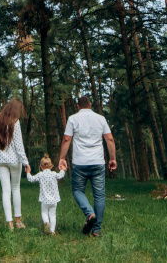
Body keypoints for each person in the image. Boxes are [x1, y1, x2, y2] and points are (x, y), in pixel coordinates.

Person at [57, 95, 117, 237]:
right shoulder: (100, 119)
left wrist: (61, 158)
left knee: (78, 190)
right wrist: (112, 158)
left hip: (80, 163)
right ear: (90, 105)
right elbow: (109, 138)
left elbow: (66, 139)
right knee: (99, 195)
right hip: (98, 162)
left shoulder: (73, 118)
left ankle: (89, 213)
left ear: (78, 106)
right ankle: (96, 230)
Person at [0, 99, 30, 230]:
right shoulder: (15, 121)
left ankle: (9, 223)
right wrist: (26, 162)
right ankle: (18, 221)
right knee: (15, 189)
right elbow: (18, 145)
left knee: (5, 190)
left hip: (0, 159)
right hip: (14, 160)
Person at [26, 154, 65, 235]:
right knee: (53, 215)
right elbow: (61, 175)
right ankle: (52, 231)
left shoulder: (40, 174)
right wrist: (62, 169)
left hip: (44, 199)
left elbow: (31, 179)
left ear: (41, 166)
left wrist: (28, 172)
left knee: (44, 213)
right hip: (54, 200)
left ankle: (46, 223)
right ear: (51, 166)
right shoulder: (54, 174)